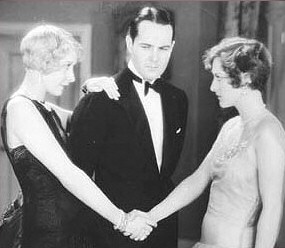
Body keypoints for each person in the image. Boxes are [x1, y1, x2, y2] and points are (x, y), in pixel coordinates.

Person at [0, 24, 156, 248]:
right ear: (44, 62)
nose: (71, 76)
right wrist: (122, 221)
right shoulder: (19, 108)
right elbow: (69, 174)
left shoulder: (44, 109)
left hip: (67, 230)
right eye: (66, 66)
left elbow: (86, 123)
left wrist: (90, 92)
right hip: (46, 237)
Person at [131, 37, 285, 248]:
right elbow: (197, 181)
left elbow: (272, 208)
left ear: (246, 78)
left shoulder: (268, 131)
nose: (213, 87)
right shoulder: (232, 127)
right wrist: (151, 217)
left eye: (219, 78)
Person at [68, 6, 188, 248]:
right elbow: (77, 178)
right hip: (111, 233)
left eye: (163, 48)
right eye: (146, 47)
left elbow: (162, 173)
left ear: (172, 47)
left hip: (162, 229)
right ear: (129, 43)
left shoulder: (178, 99)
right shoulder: (100, 97)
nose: (155, 57)